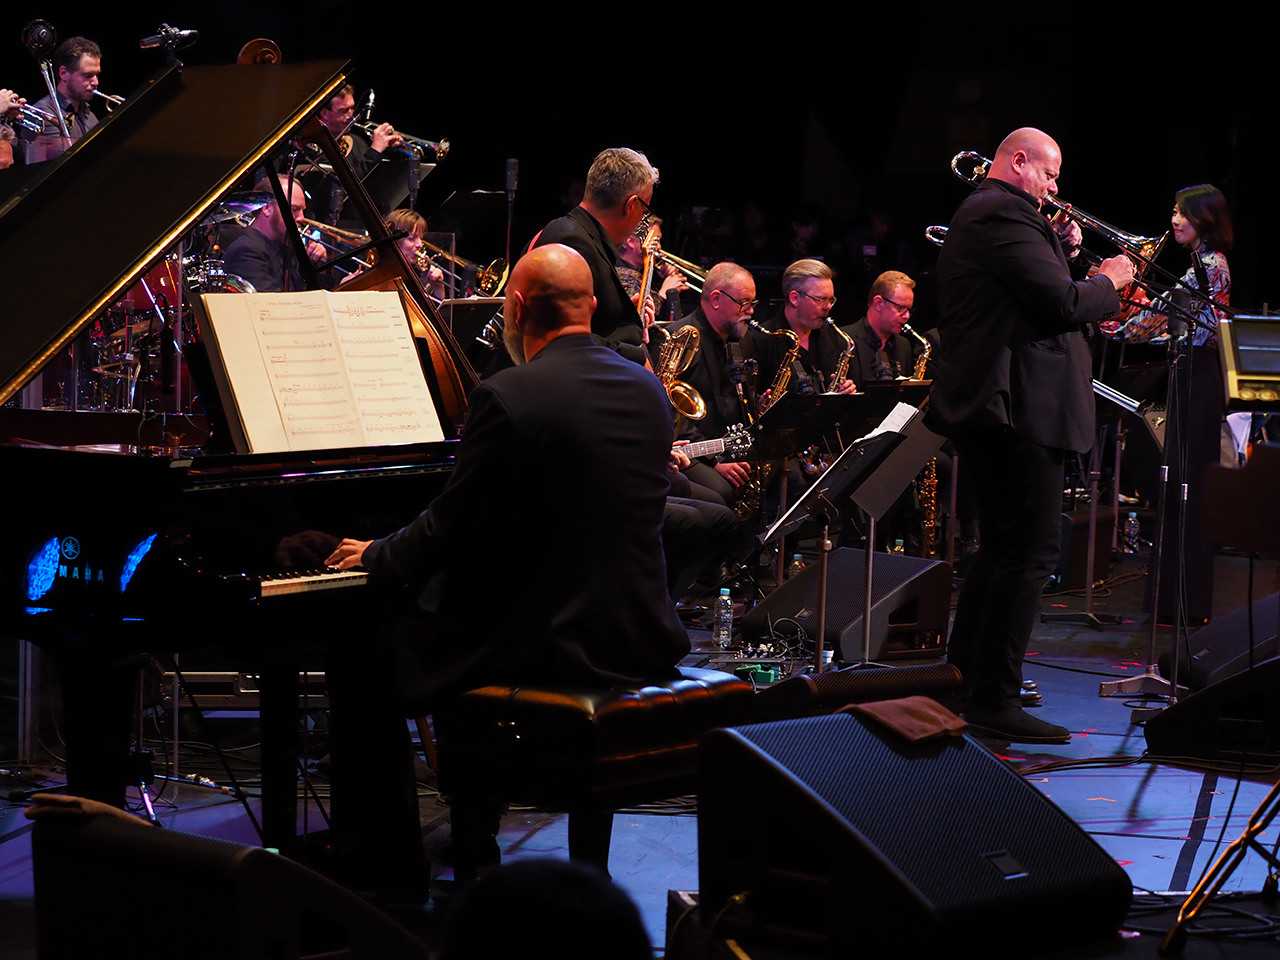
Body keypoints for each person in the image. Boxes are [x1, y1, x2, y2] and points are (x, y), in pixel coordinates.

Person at [927, 127, 1134, 743]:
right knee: (1029, 554)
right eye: (1049, 174)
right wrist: (1111, 278)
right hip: (1017, 410)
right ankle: (994, 696)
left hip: (1011, 408)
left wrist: (1060, 249)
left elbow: (1030, 298)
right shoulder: (1000, 211)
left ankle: (966, 684)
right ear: (1018, 162)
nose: (1054, 188)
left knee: (1004, 552)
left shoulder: (1005, 215)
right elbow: (1063, 305)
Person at [533, 147, 659, 363]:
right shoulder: (571, 244)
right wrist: (635, 355)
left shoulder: (581, 237)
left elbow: (590, 322)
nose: (643, 221)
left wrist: (624, 315)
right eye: (645, 210)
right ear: (631, 206)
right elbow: (564, 338)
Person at [658, 262, 759, 504]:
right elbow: (671, 415)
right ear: (715, 299)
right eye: (744, 303)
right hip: (689, 449)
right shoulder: (681, 339)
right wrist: (716, 460)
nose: (751, 311)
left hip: (725, 443)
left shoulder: (741, 340)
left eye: (753, 303)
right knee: (722, 493)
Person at [1106, 184, 1232, 346]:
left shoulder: (1210, 266)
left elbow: (1155, 317)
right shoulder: (1209, 260)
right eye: (1175, 213)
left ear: (1205, 219)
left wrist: (1110, 330)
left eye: (1184, 214)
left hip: (1198, 359)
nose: (1175, 221)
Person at [745, 258, 856, 399]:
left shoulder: (836, 339)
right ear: (794, 298)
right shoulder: (760, 340)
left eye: (831, 300)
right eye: (820, 299)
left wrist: (846, 393)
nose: (828, 307)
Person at [222, 174, 326, 292]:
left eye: (302, 210)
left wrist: (315, 264)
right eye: (294, 209)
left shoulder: (286, 248)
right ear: (267, 208)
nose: (301, 218)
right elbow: (276, 301)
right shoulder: (245, 251)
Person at [20, 37, 101, 164]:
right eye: (88, 75)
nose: (96, 82)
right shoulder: (42, 113)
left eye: (97, 75)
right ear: (64, 73)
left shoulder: (90, 117)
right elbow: (50, 164)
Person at [841, 270, 933, 382]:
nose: (907, 316)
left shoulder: (904, 346)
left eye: (909, 309)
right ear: (878, 303)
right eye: (900, 308)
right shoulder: (844, 340)